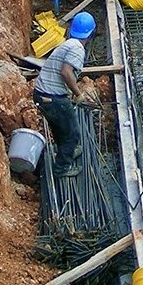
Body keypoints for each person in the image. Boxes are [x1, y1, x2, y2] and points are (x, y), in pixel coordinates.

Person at [34, 12, 96, 178]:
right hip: (51, 97)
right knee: (71, 132)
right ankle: (62, 168)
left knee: (60, 126)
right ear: (91, 33)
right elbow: (66, 72)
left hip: (42, 94)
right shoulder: (77, 49)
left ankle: (66, 151)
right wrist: (78, 94)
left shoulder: (68, 44)